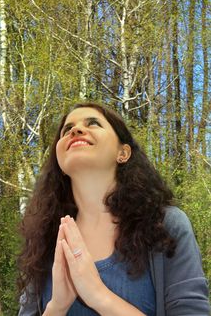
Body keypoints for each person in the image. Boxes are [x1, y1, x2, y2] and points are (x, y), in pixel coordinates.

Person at [18, 102, 210, 316]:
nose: (76, 130)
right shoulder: (44, 239)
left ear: (123, 153)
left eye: (93, 123)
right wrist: (57, 307)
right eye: (67, 129)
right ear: (60, 163)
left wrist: (98, 295)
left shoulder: (165, 225)